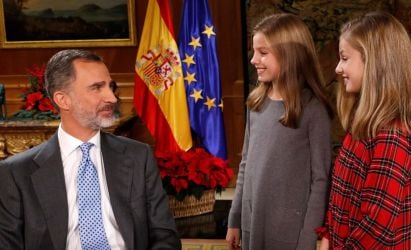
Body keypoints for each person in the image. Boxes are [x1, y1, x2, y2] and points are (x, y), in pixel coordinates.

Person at [0, 49, 181, 250]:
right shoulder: (16, 172)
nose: (111, 98)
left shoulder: (139, 156)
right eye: (97, 88)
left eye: (111, 87)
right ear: (63, 99)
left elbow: (165, 236)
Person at [318, 12, 411, 249]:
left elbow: (377, 227)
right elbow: (340, 197)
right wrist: (327, 237)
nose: (338, 69)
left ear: (375, 63)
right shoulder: (363, 126)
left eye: (345, 58)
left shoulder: (393, 135)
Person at [226, 13, 332, 250]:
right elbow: (246, 164)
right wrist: (235, 219)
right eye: (254, 51)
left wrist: (307, 238)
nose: (254, 60)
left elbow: (320, 180)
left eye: (263, 52)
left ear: (290, 56)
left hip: (290, 235)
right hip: (253, 224)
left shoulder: (313, 110)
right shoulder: (257, 103)